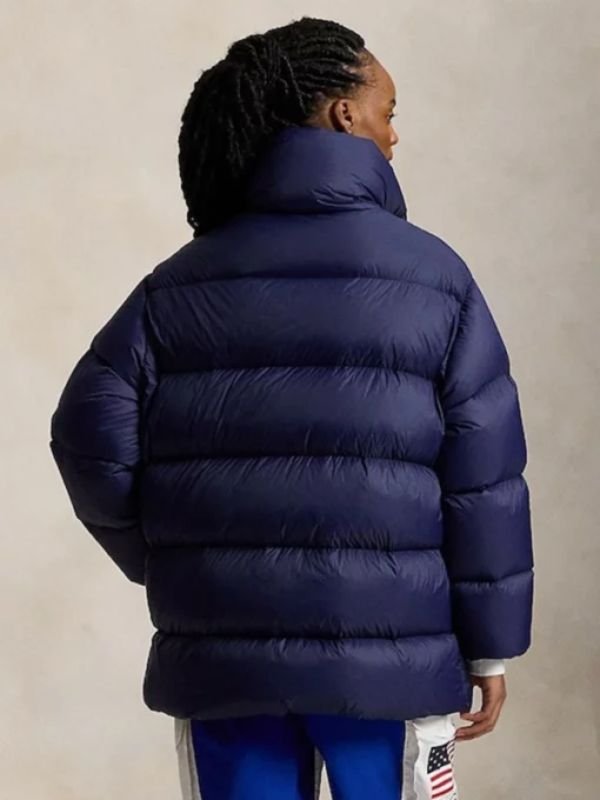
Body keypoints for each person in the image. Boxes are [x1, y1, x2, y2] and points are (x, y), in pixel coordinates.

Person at [48, 16, 534, 800]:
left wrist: (180, 558)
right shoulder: (436, 280)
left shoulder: (177, 285)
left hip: (227, 661)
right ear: (344, 114)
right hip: (392, 666)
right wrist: (490, 648)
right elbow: (484, 481)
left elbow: (85, 437)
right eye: (387, 112)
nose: (394, 135)